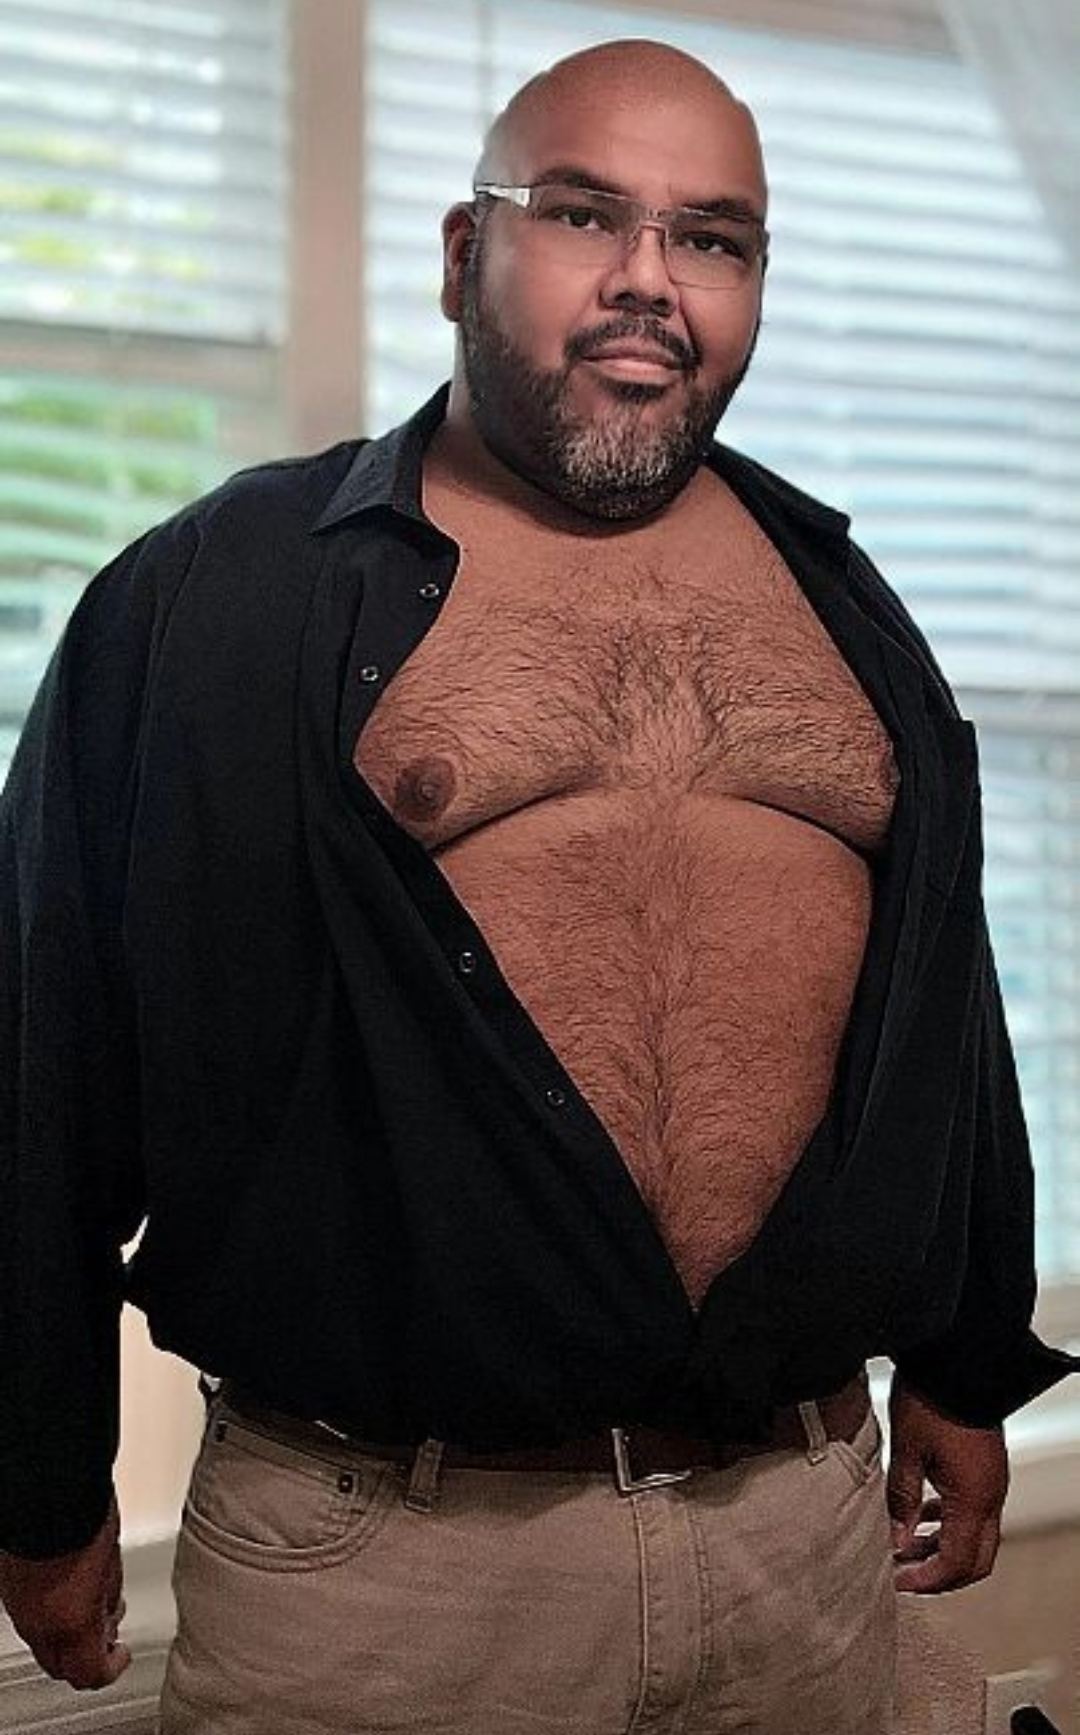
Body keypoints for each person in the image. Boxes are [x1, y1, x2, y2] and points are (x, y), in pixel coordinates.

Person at [0, 36, 1075, 1735]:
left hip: (799, 1528)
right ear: (462, 253)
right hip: (386, 1563)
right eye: (582, 214)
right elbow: (39, 1049)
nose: (649, 278)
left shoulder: (846, 603)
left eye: (710, 237)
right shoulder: (220, 592)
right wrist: (36, 1475)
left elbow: (940, 996)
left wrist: (965, 1353)